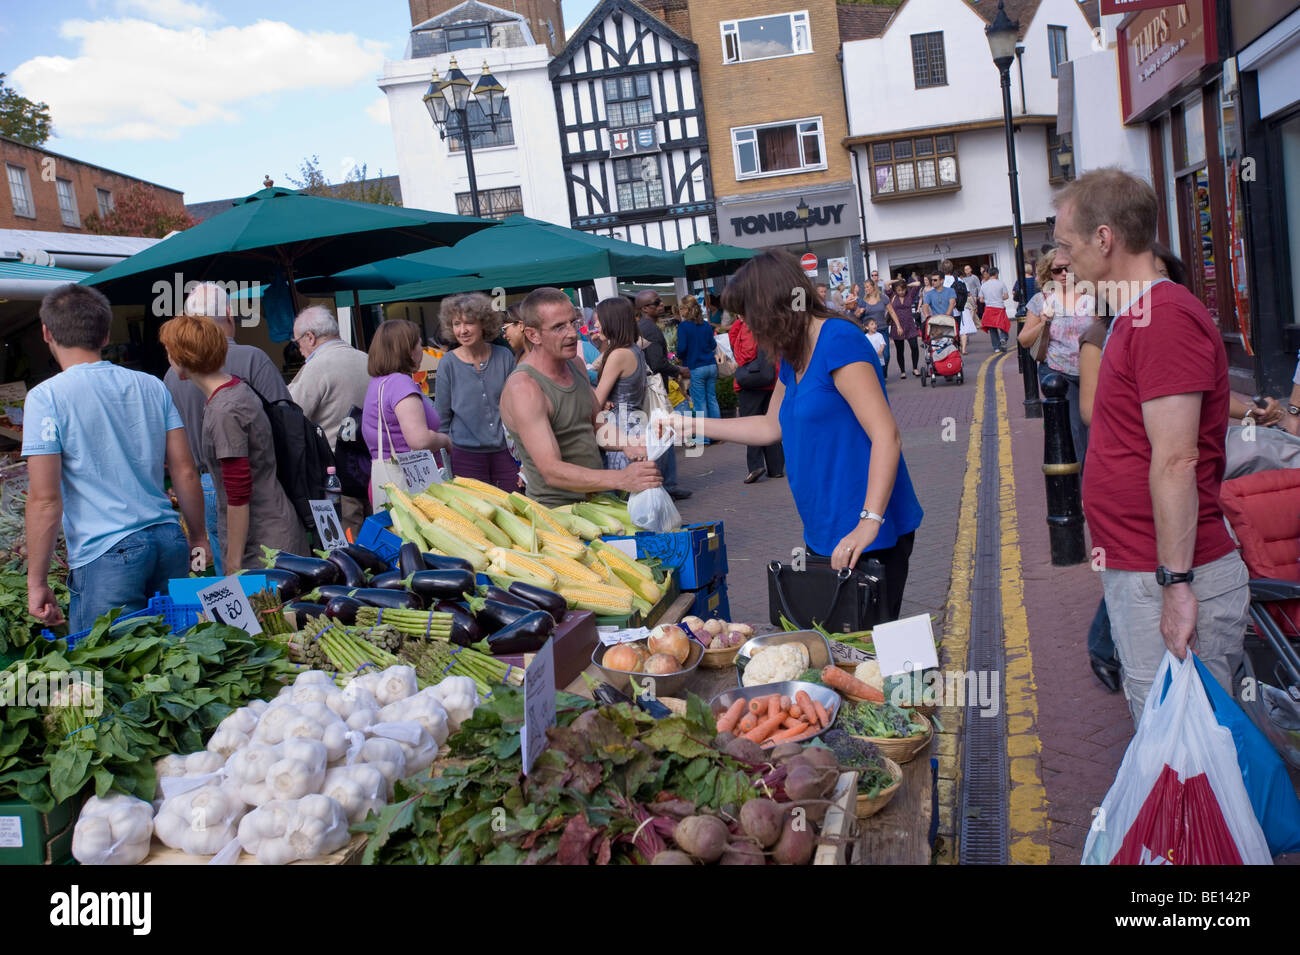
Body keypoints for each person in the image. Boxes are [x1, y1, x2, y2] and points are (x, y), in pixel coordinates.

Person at [1056, 168, 1248, 725]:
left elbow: (1176, 460)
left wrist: (1177, 584)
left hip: (1168, 575)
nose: (1062, 262)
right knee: (1173, 746)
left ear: (1106, 239)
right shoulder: (1133, 317)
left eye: (1068, 246)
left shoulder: (1163, 318)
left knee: (1188, 755)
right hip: (1143, 568)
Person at [660, 251, 923, 620]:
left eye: (748, 315)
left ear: (771, 306)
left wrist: (869, 520)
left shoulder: (837, 339)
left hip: (867, 526)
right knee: (838, 647)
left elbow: (886, 436)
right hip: (823, 524)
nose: (747, 326)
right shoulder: (793, 352)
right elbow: (770, 426)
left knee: (869, 650)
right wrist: (688, 424)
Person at [24, 285, 206, 632]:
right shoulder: (151, 385)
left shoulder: (46, 398)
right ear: (106, 335)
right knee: (179, 664)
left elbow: (45, 500)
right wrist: (198, 538)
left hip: (107, 552)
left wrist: (37, 582)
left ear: (46, 332)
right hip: (167, 539)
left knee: (111, 673)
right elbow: (184, 470)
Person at [160, 315, 306, 574]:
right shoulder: (236, 387)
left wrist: (233, 563)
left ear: (184, 359)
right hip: (274, 530)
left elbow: (239, 494)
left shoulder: (224, 410)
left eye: (170, 352)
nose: (168, 359)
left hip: (264, 547)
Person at [500, 287, 662, 506]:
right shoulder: (525, 387)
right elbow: (551, 471)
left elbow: (597, 425)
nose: (572, 333)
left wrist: (627, 442)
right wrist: (622, 478)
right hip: (559, 511)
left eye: (573, 323)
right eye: (559, 327)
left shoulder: (575, 365)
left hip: (597, 499)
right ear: (533, 335)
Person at [287, 305, 370, 533]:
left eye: (298, 342)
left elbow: (291, 416)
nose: (299, 349)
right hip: (371, 471)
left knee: (349, 547)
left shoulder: (316, 367)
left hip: (338, 478)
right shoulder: (366, 359)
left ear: (310, 337)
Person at [433, 293, 519, 493]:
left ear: (483, 323)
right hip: (465, 456)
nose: (462, 330)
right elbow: (442, 417)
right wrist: (443, 461)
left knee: (513, 508)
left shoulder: (504, 356)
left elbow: (518, 407)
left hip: (506, 453)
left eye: (469, 323)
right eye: (456, 324)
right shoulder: (448, 363)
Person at [1018, 248, 1095, 464]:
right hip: (1060, 373)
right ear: (1048, 273)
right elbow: (1024, 340)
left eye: (1067, 269)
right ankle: (1083, 490)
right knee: (1076, 434)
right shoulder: (1041, 300)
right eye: (1057, 270)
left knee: (1097, 431)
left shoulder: (1091, 296)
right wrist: (1044, 322)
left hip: (1092, 371)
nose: (1063, 274)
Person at [364, 320, 452, 487]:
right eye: (419, 343)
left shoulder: (378, 383)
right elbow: (420, 440)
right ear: (408, 350)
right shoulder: (400, 383)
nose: (422, 349)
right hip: (409, 482)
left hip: (385, 478)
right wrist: (444, 440)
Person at [635, 290, 691, 500]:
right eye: (656, 303)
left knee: (660, 437)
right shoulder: (650, 330)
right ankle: (667, 485)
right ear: (644, 308)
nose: (661, 305)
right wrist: (678, 371)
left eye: (660, 301)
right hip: (655, 390)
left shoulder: (644, 328)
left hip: (650, 389)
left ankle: (665, 483)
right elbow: (657, 363)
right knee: (663, 437)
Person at [591, 297, 648, 471]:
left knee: (625, 494)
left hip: (621, 431)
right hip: (635, 426)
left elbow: (595, 402)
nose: (596, 326)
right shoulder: (633, 349)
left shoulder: (618, 355)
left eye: (598, 320)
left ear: (611, 321)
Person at [729, 311, 785, 485]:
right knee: (771, 422)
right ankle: (775, 467)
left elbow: (744, 354)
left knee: (751, 424)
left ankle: (755, 466)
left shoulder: (749, 327)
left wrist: (739, 324)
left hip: (753, 382)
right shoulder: (770, 322)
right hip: (772, 378)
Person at [676, 294, 720, 445]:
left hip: (696, 367)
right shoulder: (706, 325)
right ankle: (719, 434)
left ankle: (704, 438)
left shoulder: (683, 326)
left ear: (686, 309)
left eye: (681, 308)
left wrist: (679, 357)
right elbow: (713, 345)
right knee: (712, 399)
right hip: (711, 365)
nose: (680, 311)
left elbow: (681, 348)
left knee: (700, 403)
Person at [887, 278, 921, 381]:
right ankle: (903, 371)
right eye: (899, 290)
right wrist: (897, 280)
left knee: (914, 346)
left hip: (910, 325)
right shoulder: (892, 295)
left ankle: (915, 368)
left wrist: (906, 284)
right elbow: (886, 284)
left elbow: (918, 283)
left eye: (902, 290)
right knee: (899, 350)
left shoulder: (910, 294)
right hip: (897, 326)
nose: (901, 292)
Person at [859, 279, 893, 369]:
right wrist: (860, 312)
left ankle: (884, 373)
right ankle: (878, 375)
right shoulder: (864, 301)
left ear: (873, 287)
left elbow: (892, 312)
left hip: (882, 329)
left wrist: (898, 325)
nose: (865, 289)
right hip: (869, 332)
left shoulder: (883, 298)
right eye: (864, 287)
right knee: (873, 354)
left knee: (886, 355)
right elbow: (858, 316)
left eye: (867, 287)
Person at [979, 266, 1011, 352]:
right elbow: (1006, 296)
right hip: (999, 308)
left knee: (992, 329)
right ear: (996, 274)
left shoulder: (984, 285)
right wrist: (999, 298)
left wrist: (988, 300)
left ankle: (996, 347)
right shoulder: (1001, 283)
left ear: (989, 274)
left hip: (989, 309)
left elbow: (981, 300)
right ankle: (1003, 338)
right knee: (1004, 326)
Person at [921, 271, 957, 340]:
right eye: (931, 280)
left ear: (942, 281)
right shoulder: (929, 294)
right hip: (936, 322)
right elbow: (925, 306)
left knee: (951, 342)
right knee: (936, 344)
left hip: (948, 321)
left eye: (935, 280)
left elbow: (951, 304)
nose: (932, 282)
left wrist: (946, 317)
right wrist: (927, 315)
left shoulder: (950, 291)